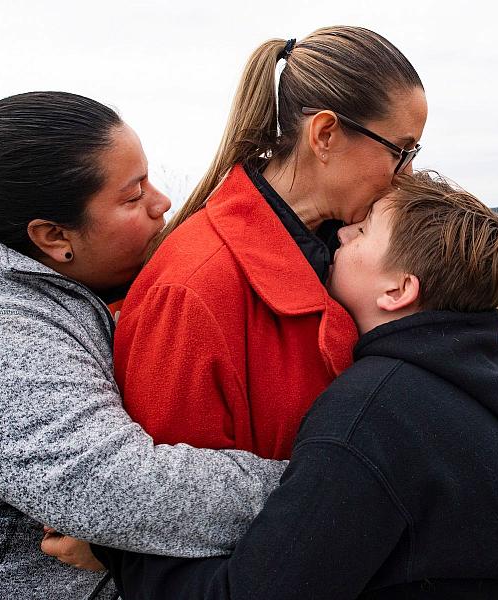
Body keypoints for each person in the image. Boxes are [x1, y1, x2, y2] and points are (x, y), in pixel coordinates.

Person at [96, 172, 498, 599]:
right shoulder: (468, 384)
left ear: (398, 291)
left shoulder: (373, 412)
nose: (342, 232)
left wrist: (118, 551)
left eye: (363, 232)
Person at [0, 92, 285, 600]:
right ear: (54, 236)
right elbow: (124, 491)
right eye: (132, 197)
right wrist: (330, 483)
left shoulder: (65, 298)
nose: (162, 203)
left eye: (149, 179)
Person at [114, 26, 427, 459]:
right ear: (325, 135)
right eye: (400, 150)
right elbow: (173, 509)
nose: (406, 174)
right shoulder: (192, 290)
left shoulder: (351, 250)